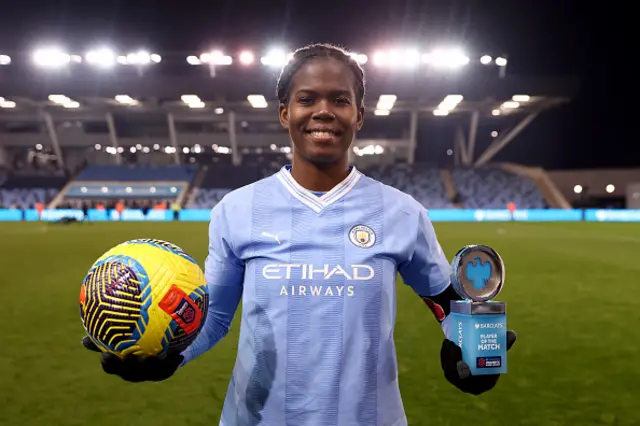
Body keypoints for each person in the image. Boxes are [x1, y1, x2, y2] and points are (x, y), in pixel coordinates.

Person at [83, 43, 516, 425]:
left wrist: (470, 351)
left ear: (359, 115)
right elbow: (213, 318)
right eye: (307, 99)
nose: (323, 111)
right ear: (285, 113)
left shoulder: (402, 212)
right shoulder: (236, 210)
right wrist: (169, 357)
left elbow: (447, 302)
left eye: (340, 100)